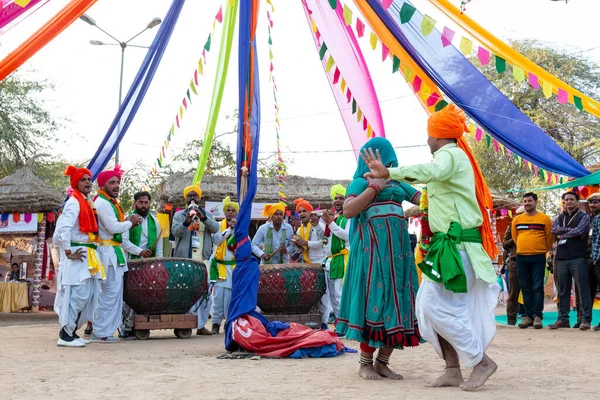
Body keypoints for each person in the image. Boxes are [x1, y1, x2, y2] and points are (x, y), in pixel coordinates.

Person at [360, 106, 501, 390]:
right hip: (446, 247)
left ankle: (480, 361)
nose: (426, 140)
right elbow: (434, 191)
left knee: (437, 306)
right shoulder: (449, 159)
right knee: (428, 307)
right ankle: (452, 368)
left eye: (428, 135)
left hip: (457, 246)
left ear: (437, 135)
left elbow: (431, 172)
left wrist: (391, 172)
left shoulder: (449, 155)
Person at [335, 137, 421, 381]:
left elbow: (422, 201)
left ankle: (383, 363)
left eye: (383, 157)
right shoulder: (360, 182)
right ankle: (365, 364)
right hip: (372, 255)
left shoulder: (399, 182)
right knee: (374, 299)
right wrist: (374, 187)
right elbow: (349, 211)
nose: (380, 161)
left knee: (399, 301)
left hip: (399, 257)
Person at [53, 165, 104, 347]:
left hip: (87, 255)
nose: (88, 182)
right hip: (77, 255)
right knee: (77, 295)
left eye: (89, 179)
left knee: (88, 295)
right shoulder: (74, 202)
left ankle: (72, 332)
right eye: (83, 179)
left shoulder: (86, 201)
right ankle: (65, 335)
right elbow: (63, 228)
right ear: (75, 183)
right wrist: (68, 252)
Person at [91, 165, 143, 343]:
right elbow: (113, 228)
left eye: (118, 182)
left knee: (113, 294)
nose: (116, 186)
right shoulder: (102, 203)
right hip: (106, 252)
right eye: (112, 182)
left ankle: (104, 331)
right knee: (108, 294)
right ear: (103, 185)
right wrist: (130, 222)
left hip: (113, 251)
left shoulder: (109, 203)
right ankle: (101, 333)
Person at [172, 183, 219, 336]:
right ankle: (183, 324)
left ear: (199, 198)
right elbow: (176, 233)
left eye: (195, 195)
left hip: (203, 260)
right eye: (189, 195)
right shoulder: (179, 215)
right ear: (185, 199)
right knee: (184, 293)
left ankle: (201, 326)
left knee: (204, 293)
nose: (192, 198)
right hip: (185, 260)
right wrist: (186, 221)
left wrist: (203, 217)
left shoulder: (207, 215)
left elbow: (216, 229)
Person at [120, 191, 164, 339]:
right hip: (131, 262)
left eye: (146, 203)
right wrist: (139, 252)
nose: (144, 205)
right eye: (141, 202)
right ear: (135, 203)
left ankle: (140, 326)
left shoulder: (155, 221)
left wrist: (159, 263)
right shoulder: (129, 219)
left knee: (144, 295)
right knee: (129, 295)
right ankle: (126, 327)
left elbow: (159, 246)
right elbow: (123, 242)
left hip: (149, 265)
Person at [549, 191, 592, 330]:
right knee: (562, 290)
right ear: (563, 202)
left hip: (578, 257)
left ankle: (585, 319)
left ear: (577, 202)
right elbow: (553, 229)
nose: (569, 202)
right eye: (566, 200)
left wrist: (563, 234)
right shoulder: (559, 217)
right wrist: (568, 231)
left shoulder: (584, 216)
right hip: (561, 258)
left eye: (572, 199)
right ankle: (563, 319)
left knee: (582, 289)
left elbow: (581, 230)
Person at [512, 192, 553, 329]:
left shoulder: (545, 219)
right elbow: (515, 237)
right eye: (525, 201)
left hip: (538, 257)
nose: (527, 203)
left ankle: (537, 316)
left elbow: (549, 238)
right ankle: (527, 316)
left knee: (537, 286)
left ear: (536, 202)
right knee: (525, 287)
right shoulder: (517, 220)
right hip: (521, 257)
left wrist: (541, 250)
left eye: (530, 201)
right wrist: (524, 247)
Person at [293, 197, 331, 330]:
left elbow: (324, 242)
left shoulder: (320, 226)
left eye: (305, 211)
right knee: (309, 295)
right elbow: (301, 249)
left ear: (311, 213)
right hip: (307, 266)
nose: (302, 214)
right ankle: (312, 322)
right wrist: (297, 247)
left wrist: (306, 243)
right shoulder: (299, 230)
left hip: (320, 265)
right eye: (300, 212)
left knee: (323, 295)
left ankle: (325, 322)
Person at [209, 196, 238, 335]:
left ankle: (229, 323)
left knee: (231, 298)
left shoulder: (241, 227)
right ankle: (215, 323)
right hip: (219, 267)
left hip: (232, 268)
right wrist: (229, 230)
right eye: (228, 210)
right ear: (225, 212)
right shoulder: (218, 225)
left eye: (233, 211)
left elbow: (246, 243)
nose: (230, 213)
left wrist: (236, 229)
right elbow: (216, 239)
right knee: (218, 298)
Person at [321, 184, 350, 325]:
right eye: (335, 198)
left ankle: (346, 325)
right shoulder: (336, 218)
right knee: (332, 297)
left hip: (343, 260)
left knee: (340, 295)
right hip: (330, 261)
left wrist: (330, 223)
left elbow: (348, 236)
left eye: (341, 198)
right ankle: (340, 324)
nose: (337, 201)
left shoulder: (349, 217)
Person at [502, 206, 525, 325]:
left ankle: (530, 317)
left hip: (530, 260)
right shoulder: (511, 227)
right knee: (513, 293)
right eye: (518, 215)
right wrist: (516, 238)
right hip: (514, 262)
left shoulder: (532, 226)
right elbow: (505, 244)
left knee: (531, 291)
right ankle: (511, 320)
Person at [588, 193, 600, 331]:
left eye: (596, 202)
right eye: (590, 202)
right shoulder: (593, 219)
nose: (592, 205)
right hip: (595, 258)